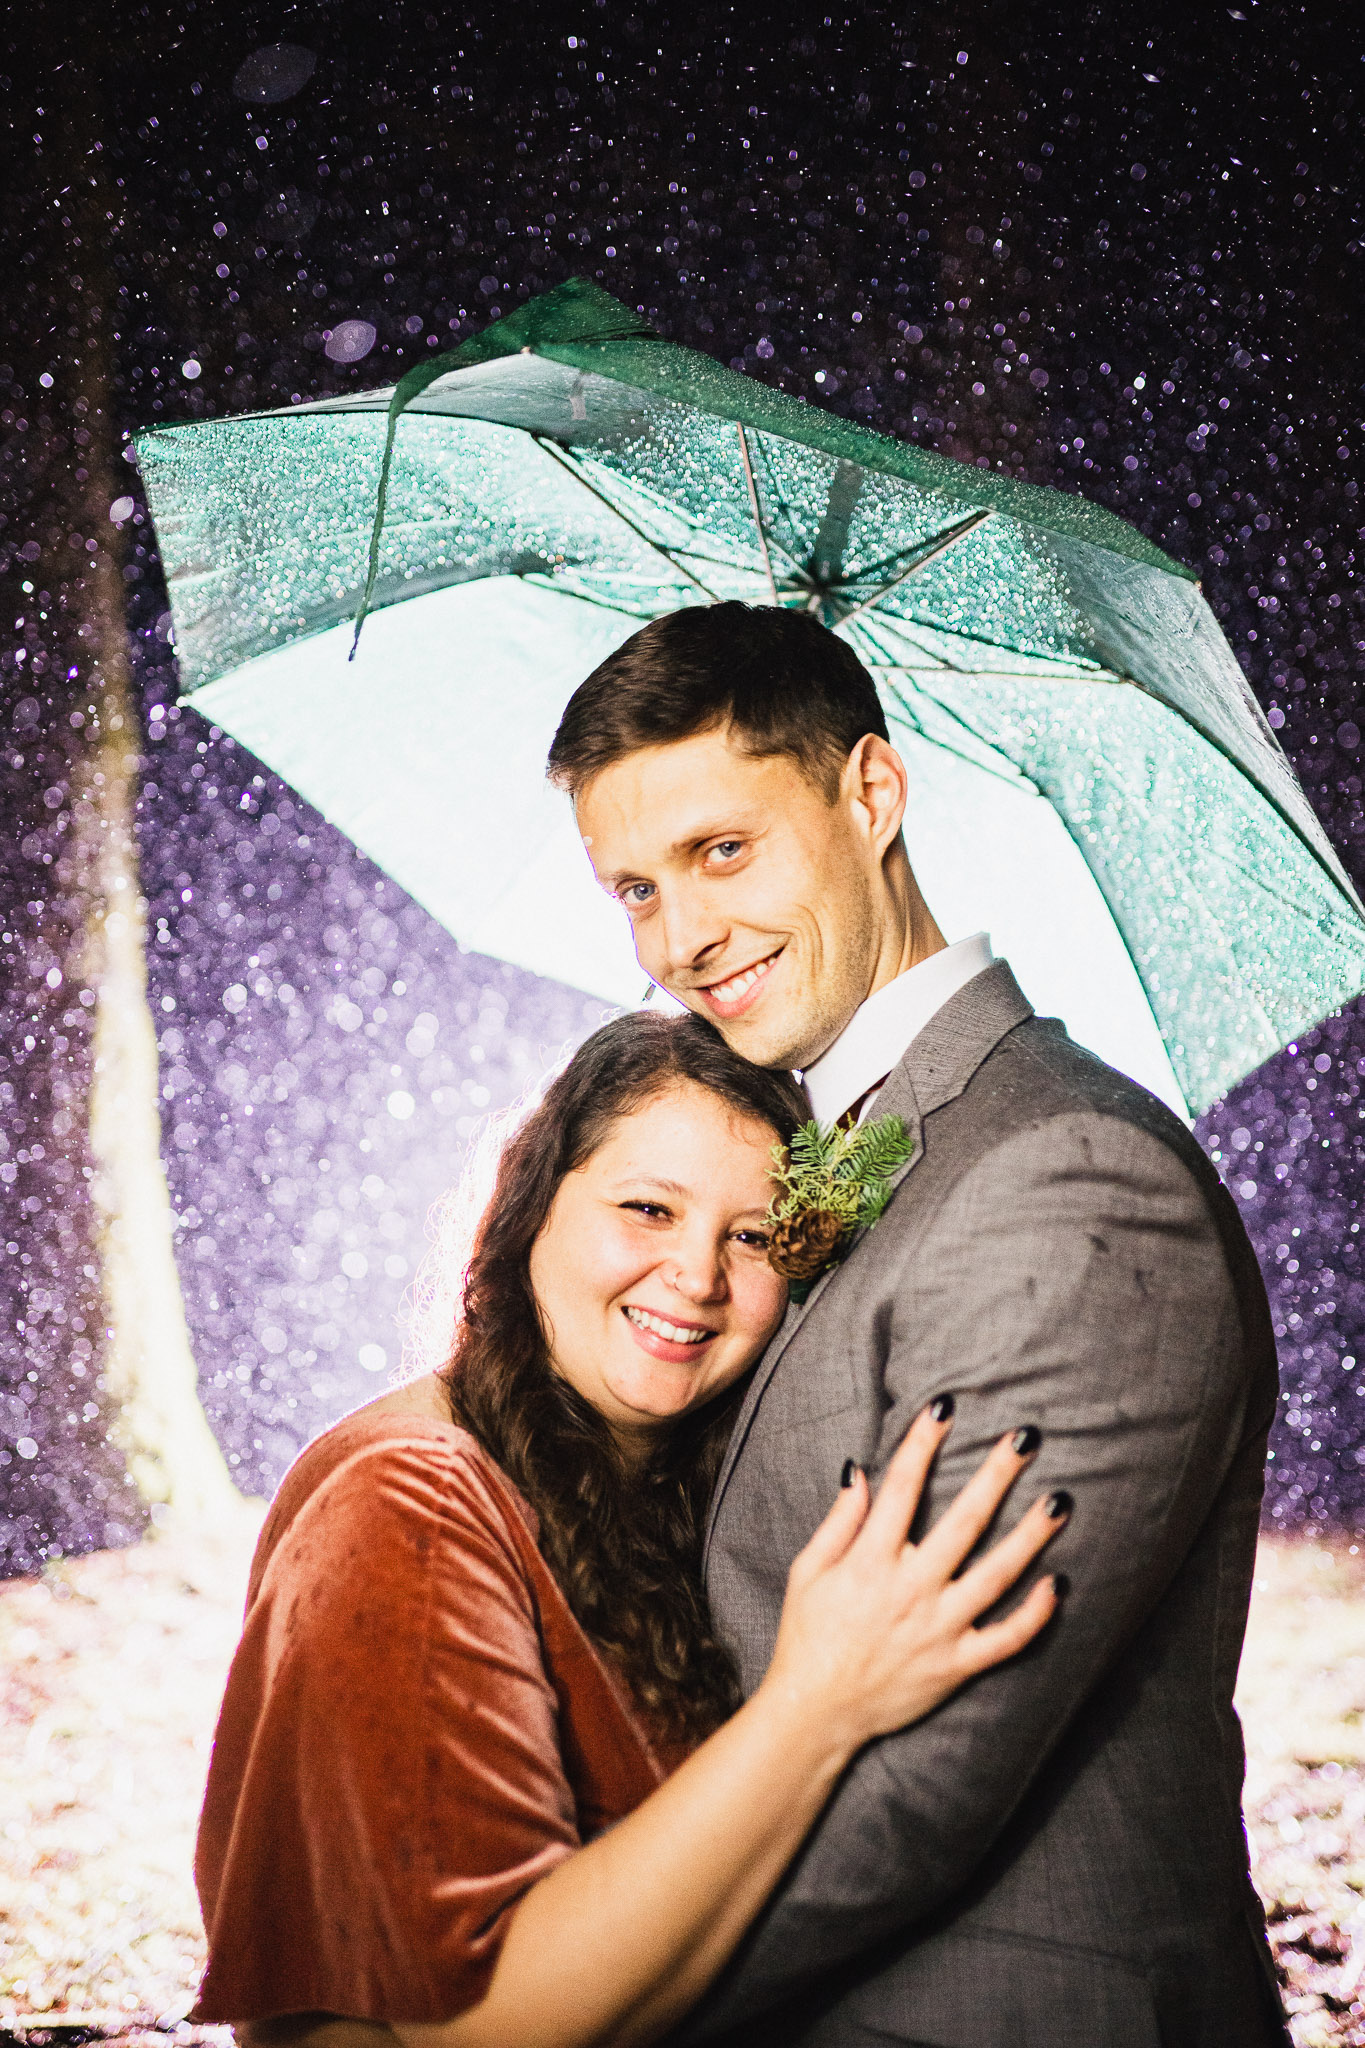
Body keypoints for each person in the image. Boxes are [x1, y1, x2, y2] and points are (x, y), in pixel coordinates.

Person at [547, 601, 1289, 2048]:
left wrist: (547, 1996)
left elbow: (917, 1789)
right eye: (636, 888)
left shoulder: (1071, 1176)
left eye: (722, 850)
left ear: (873, 791)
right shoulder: (817, 1148)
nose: (682, 939)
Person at [193, 1012, 1067, 2048]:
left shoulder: (656, 1489)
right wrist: (821, 1701)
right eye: (648, 1208)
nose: (697, 1276)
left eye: (752, 1236)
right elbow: (486, 2024)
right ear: (530, 1208)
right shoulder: (409, 1503)